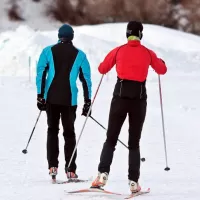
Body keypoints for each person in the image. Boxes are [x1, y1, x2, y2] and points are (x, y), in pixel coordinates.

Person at [91, 21, 167, 193]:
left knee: (111, 138)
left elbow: (102, 69)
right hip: (139, 101)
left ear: (127, 34)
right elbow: (162, 70)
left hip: (119, 99)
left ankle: (102, 174)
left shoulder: (118, 50)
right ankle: (133, 182)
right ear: (140, 34)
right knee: (134, 142)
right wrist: (160, 61)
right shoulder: (147, 53)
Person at [36, 24, 92, 181]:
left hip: (51, 98)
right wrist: (88, 101)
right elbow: (85, 80)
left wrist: (40, 95)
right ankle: (71, 170)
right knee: (69, 133)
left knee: (52, 130)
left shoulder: (47, 51)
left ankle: (52, 167)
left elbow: (41, 73)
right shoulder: (80, 55)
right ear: (72, 37)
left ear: (59, 36)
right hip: (70, 100)